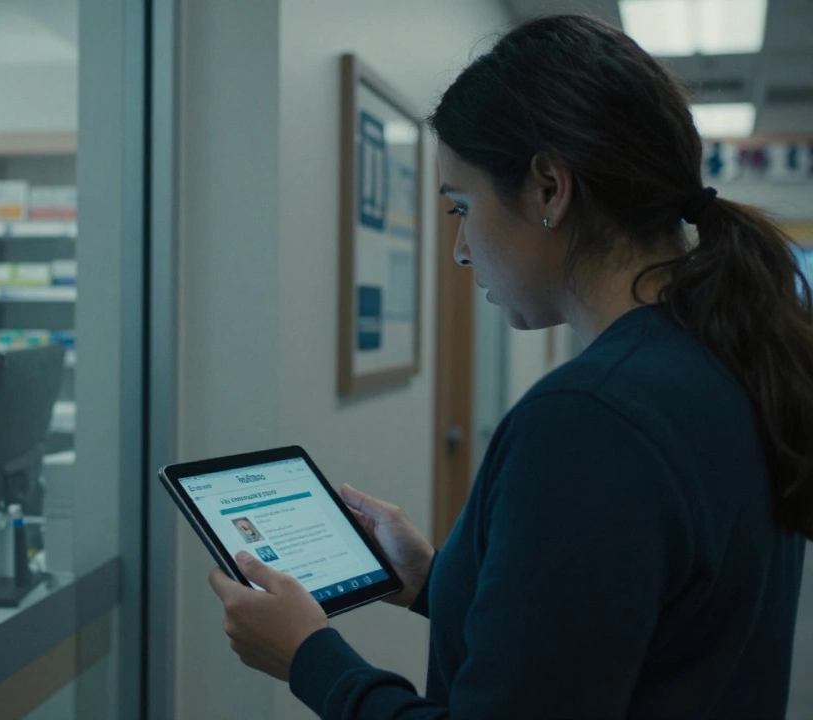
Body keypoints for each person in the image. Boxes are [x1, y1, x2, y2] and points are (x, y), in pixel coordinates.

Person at [209, 15, 811, 719]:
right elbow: (618, 631)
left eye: (463, 206)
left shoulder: (592, 418)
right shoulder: (721, 359)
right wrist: (436, 581)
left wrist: (311, 657)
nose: (462, 250)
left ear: (550, 188)